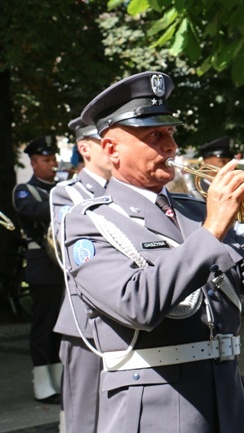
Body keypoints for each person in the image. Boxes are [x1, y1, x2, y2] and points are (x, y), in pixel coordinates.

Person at [58, 71, 244, 433]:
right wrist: (212, 230)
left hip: (229, 400)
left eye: (172, 134)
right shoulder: (88, 222)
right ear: (111, 150)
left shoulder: (194, 209)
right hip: (158, 405)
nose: (171, 147)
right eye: (154, 136)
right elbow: (136, 305)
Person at [50, 117, 112, 432]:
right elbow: (75, 252)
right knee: (85, 416)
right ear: (85, 148)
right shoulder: (68, 193)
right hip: (85, 322)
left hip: (131, 321)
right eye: (106, 142)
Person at [12, 135, 65, 404]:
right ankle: (43, 383)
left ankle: (59, 380)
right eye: (46, 160)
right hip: (43, 267)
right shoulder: (25, 190)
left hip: (63, 267)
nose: (53, 164)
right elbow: (32, 211)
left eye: (54, 159)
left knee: (61, 327)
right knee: (43, 326)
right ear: (33, 163)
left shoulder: (62, 188)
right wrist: (67, 201)